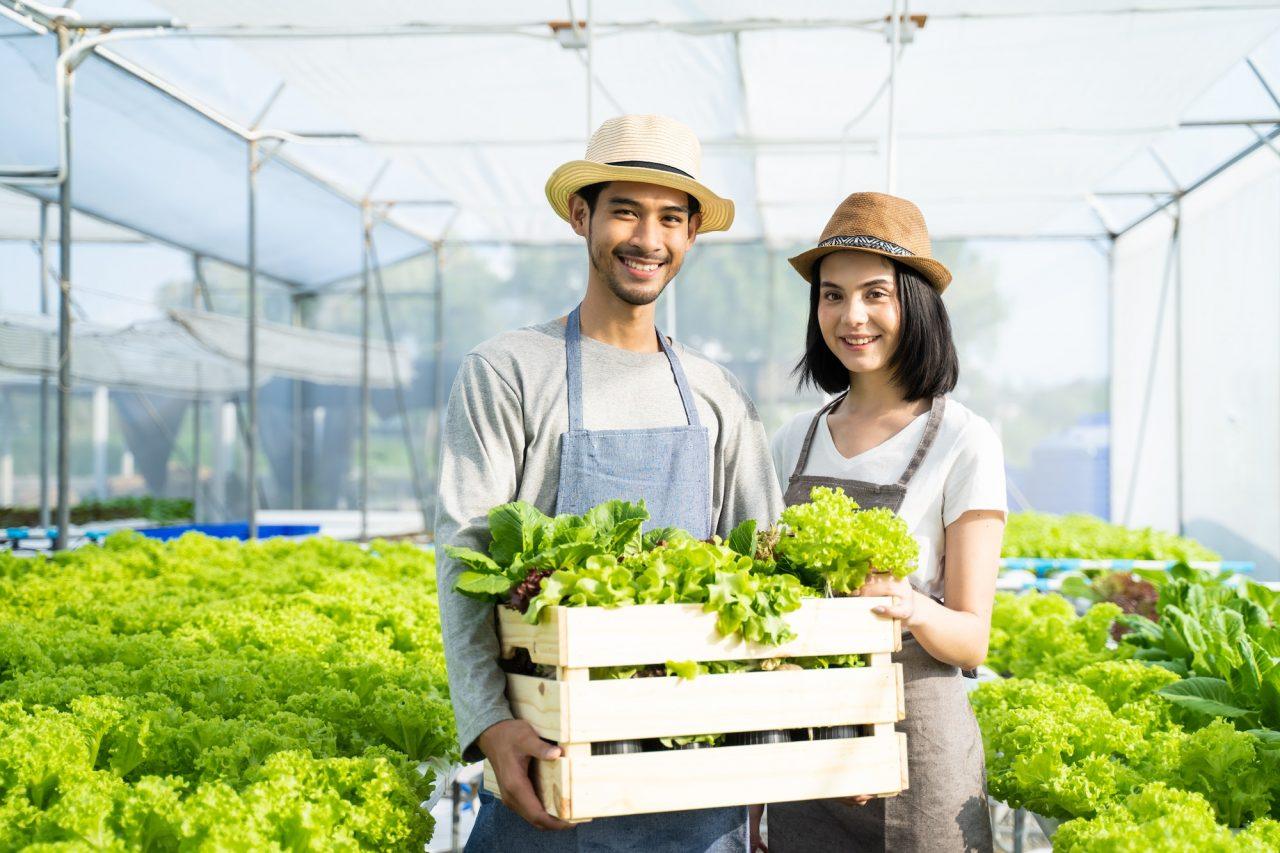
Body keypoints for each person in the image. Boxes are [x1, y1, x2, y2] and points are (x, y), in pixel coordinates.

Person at [435, 114, 784, 852]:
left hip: (699, 785)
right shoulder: (508, 371)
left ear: (691, 236)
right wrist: (489, 723)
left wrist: (786, 741)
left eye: (669, 218)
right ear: (581, 215)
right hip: (546, 769)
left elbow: (769, 566)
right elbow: (464, 552)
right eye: (625, 210)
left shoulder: (719, 394)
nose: (647, 239)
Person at [764, 192, 1006, 853]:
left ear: (916, 304)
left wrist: (907, 604)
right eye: (832, 296)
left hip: (919, 748)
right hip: (809, 747)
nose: (852, 316)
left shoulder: (964, 440)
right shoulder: (792, 440)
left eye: (875, 293)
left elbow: (972, 639)